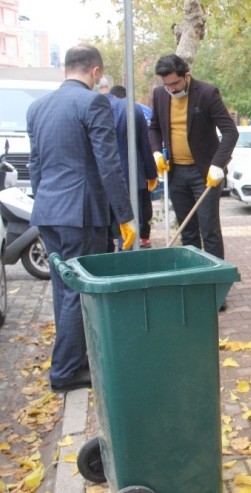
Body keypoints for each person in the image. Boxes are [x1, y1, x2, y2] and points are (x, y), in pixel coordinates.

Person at [27, 45, 136, 392]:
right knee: (78, 290)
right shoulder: (94, 102)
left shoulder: (37, 107)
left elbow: (35, 166)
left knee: (64, 291)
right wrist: (126, 216)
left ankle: (76, 361)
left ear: (65, 69)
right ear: (95, 71)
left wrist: (46, 203)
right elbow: (109, 163)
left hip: (49, 211)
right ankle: (64, 372)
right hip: (82, 212)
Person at [148, 54, 237, 260]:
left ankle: (215, 281)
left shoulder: (206, 93)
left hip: (204, 174)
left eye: (175, 83)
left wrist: (217, 164)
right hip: (176, 173)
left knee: (209, 229)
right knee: (187, 230)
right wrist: (155, 153)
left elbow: (230, 131)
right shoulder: (160, 95)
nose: (172, 89)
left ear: (186, 75)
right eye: (167, 85)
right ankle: (194, 277)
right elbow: (153, 129)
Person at [106, 84, 158, 249]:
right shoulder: (133, 108)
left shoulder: (96, 107)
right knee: (130, 228)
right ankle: (126, 264)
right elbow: (144, 145)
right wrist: (151, 174)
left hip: (103, 181)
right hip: (131, 177)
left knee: (104, 229)